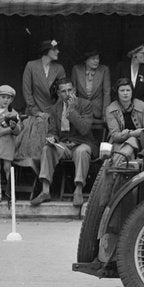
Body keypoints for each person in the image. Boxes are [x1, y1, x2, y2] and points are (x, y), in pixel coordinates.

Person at [32, 78, 97, 207]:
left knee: (81, 152)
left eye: (69, 90)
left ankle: (78, 190)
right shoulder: (55, 108)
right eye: (63, 91)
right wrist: (52, 138)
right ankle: (45, 191)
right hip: (64, 145)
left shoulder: (85, 104)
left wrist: (71, 111)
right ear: (58, 93)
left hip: (82, 143)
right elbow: (52, 131)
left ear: (74, 90)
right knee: (47, 149)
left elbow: (84, 129)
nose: (67, 94)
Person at [104, 77, 144, 160]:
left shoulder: (142, 106)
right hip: (118, 142)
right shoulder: (111, 109)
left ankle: (115, 168)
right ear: (117, 92)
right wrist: (132, 133)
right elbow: (115, 136)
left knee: (131, 142)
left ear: (132, 92)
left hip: (140, 142)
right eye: (122, 90)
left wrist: (134, 135)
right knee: (128, 148)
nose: (125, 93)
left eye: (128, 90)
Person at [22, 39, 65, 116]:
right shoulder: (31, 66)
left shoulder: (59, 68)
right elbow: (27, 91)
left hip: (53, 113)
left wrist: (54, 111)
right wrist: (36, 112)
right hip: (34, 113)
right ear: (46, 51)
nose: (58, 51)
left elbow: (63, 92)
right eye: (54, 49)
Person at [71, 48, 111, 127]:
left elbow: (107, 93)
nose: (97, 61)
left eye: (98, 58)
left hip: (97, 111)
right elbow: (73, 92)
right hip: (81, 111)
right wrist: (74, 112)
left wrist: (105, 113)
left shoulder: (104, 70)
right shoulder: (76, 69)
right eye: (93, 59)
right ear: (85, 60)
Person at [113, 43, 144, 109]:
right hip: (122, 109)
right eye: (143, 53)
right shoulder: (121, 67)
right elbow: (114, 90)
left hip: (141, 110)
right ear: (134, 54)